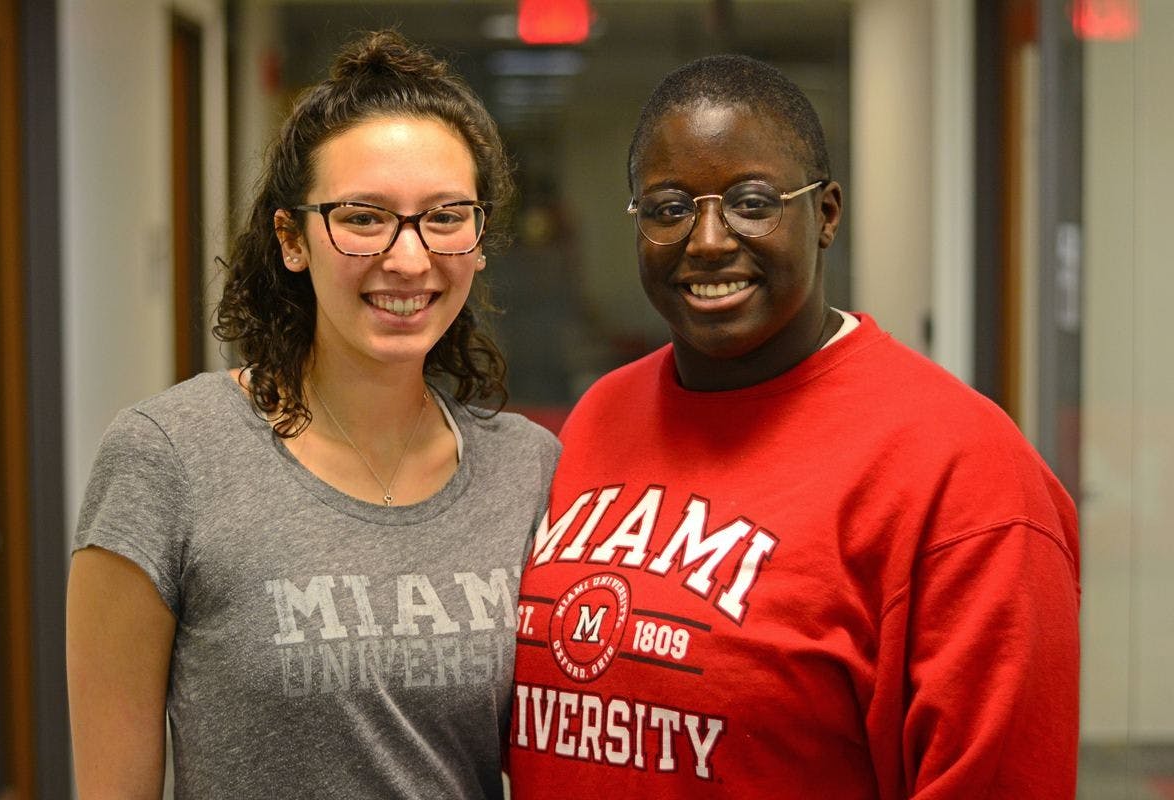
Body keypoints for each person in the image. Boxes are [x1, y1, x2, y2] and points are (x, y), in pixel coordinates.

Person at [508, 54, 1079, 799]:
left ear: (827, 215)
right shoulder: (601, 415)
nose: (707, 240)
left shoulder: (966, 474)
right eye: (669, 208)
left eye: (752, 202)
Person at [66, 30, 558, 799]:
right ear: (292, 239)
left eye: (444, 216)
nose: (408, 258)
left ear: (480, 238)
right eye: (363, 218)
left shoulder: (527, 468)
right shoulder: (168, 456)